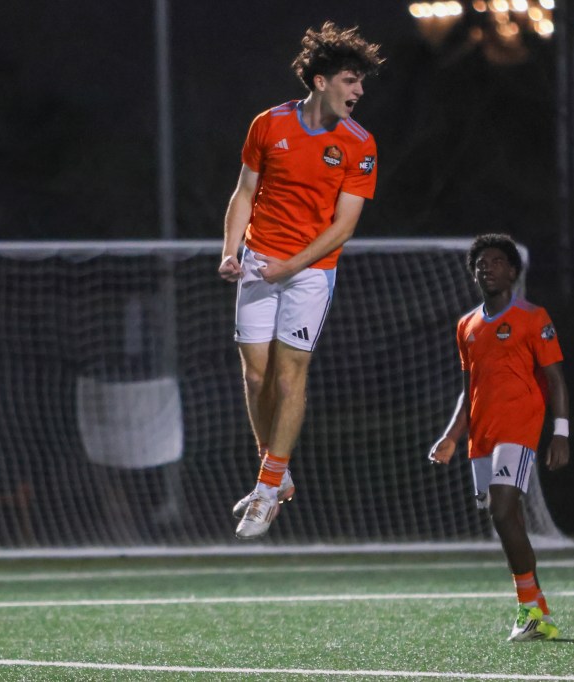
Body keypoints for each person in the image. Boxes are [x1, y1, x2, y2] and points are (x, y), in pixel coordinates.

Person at [219, 21, 383, 540]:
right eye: (350, 80)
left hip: (311, 273)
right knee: (255, 378)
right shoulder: (268, 124)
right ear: (320, 81)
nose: (359, 91)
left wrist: (291, 266)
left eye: (361, 82)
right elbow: (245, 192)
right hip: (258, 262)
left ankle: (267, 489)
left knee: (290, 378)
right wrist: (230, 251)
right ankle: (277, 471)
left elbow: (344, 226)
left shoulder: (359, 144)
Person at [428, 233, 570, 642]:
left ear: (512, 271)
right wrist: (451, 437)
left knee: (503, 510)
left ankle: (528, 609)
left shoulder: (533, 317)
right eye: (480, 264)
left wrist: (561, 432)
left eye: (496, 262)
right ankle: (539, 611)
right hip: (482, 436)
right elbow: (469, 388)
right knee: (507, 521)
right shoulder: (467, 326)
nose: (486, 268)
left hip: (519, 428)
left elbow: (556, 378)